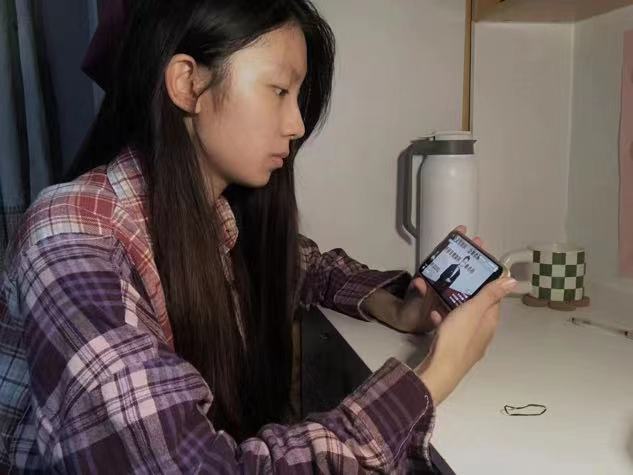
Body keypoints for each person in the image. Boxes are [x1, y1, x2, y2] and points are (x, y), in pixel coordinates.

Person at [0, 1, 517, 472]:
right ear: (188, 84)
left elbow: (304, 266)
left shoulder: (211, 216)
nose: (297, 124)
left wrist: (396, 307)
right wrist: (433, 378)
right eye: (279, 91)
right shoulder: (72, 238)